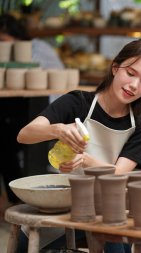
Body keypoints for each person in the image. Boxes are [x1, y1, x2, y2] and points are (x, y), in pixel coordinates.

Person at [16, 39, 141, 252]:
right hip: (65, 202)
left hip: (108, 207)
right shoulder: (78, 103)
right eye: (130, 73)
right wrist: (57, 129)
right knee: (25, 243)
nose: (134, 86)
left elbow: (117, 175)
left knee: (113, 240)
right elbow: (24, 135)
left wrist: (84, 160)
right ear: (115, 68)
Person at [0, 13, 65, 205]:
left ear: (16, 36)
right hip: (17, 111)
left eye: (3, 40)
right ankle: (13, 199)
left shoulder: (38, 50)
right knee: (3, 137)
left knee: (4, 139)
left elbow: (53, 94)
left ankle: (18, 200)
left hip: (45, 111)